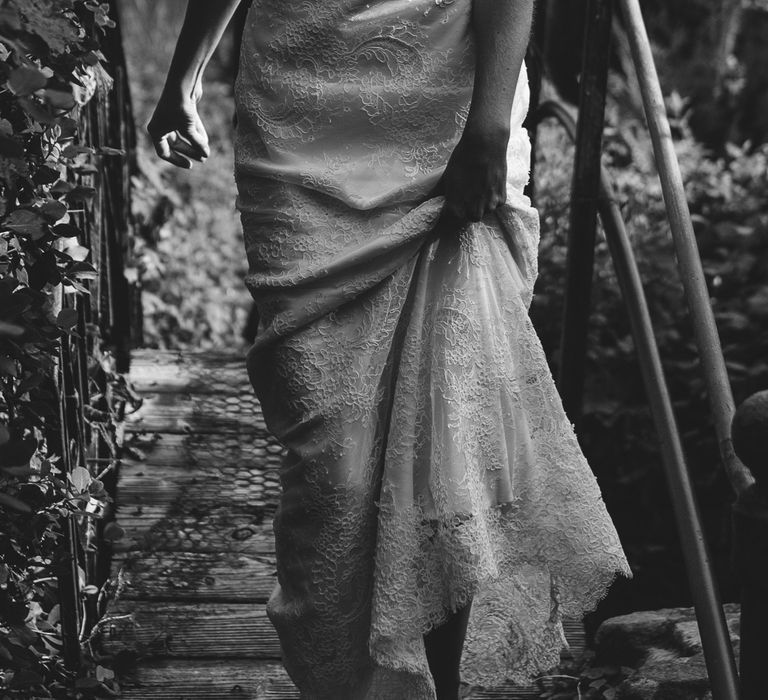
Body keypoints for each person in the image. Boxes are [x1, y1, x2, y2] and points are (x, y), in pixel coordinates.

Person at [149, 1, 632, 698]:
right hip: (298, 110)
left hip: (446, 108)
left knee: (447, 439)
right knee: (329, 460)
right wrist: (183, 80)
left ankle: (442, 690)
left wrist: (489, 127)